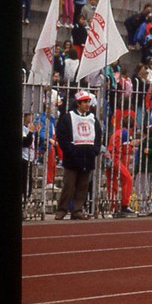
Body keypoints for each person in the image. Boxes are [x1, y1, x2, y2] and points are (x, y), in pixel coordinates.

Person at [54, 90, 103, 220]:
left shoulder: (93, 118)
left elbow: (98, 136)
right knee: (68, 186)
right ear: (78, 103)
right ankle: (62, 210)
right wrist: (70, 150)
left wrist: (95, 150)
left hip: (87, 157)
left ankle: (77, 210)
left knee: (83, 186)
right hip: (72, 158)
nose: (87, 104)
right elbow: (62, 136)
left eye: (88, 102)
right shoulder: (68, 117)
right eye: (85, 102)